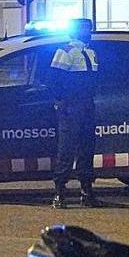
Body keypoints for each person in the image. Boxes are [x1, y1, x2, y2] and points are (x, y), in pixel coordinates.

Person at [48, 18, 100, 209]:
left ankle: (86, 192)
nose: (89, 32)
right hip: (71, 106)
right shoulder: (65, 51)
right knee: (67, 149)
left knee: (87, 148)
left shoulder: (91, 52)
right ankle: (60, 193)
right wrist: (62, 101)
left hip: (87, 106)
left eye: (90, 29)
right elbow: (54, 80)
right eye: (85, 29)